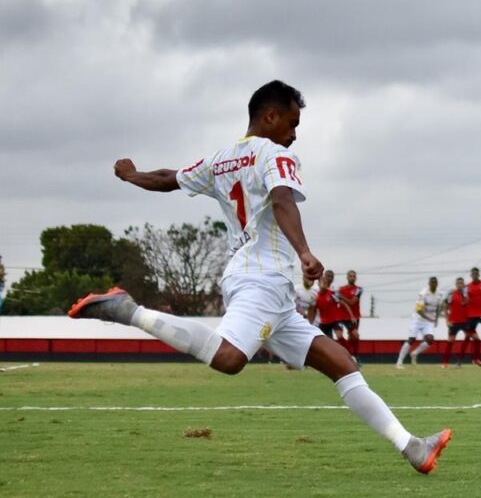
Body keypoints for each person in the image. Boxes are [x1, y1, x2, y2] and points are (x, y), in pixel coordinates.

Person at [67, 80, 450, 473]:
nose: (295, 134)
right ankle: (126, 310)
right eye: (292, 122)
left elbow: (170, 178)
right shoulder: (276, 155)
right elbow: (283, 199)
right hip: (263, 277)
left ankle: (412, 448)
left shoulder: (221, 159)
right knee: (230, 357)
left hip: (266, 289)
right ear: (270, 116)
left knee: (341, 363)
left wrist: (132, 175)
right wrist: (304, 252)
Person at [396, 277, 442, 368]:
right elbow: (418, 310)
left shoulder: (439, 294)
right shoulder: (423, 293)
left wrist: (436, 319)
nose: (433, 284)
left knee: (430, 339)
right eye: (432, 282)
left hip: (428, 320)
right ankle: (399, 362)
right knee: (411, 339)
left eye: (435, 282)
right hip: (417, 319)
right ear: (429, 283)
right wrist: (430, 319)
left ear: (437, 284)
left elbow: (438, 308)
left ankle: (414, 353)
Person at [440, 277, 473, 368]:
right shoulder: (451, 294)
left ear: (464, 285)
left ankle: (459, 361)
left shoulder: (467, 295)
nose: (460, 285)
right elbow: (445, 307)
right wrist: (447, 320)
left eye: (462, 283)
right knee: (450, 341)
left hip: (465, 321)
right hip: (453, 321)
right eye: (458, 283)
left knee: (468, 337)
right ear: (456, 284)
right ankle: (445, 363)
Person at [310, 271, 345, 344]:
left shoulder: (334, 290)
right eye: (328, 276)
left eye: (331, 276)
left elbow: (341, 302)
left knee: (337, 337)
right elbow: (312, 309)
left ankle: (347, 353)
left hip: (333, 319)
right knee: (324, 340)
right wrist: (310, 322)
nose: (329, 278)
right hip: (320, 321)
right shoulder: (315, 291)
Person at [336, 270, 363, 363]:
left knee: (354, 336)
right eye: (350, 276)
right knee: (339, 335)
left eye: (354, 276)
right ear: (347, 277)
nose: (352, 278)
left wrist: (341, 296)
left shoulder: (359, 289)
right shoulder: (341, 289)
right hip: (341, 316)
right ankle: (349, 355)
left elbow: (352, 302)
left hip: (354, 317)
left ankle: (355, 356)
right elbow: (339, 302)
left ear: (356, 278)